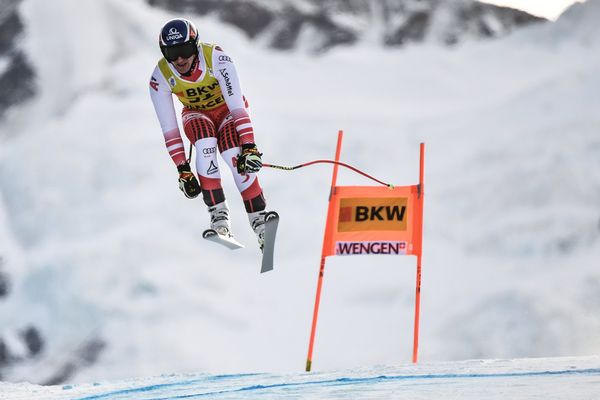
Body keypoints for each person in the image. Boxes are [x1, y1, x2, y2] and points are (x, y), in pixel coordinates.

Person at [149, 18, 268, 249]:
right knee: (204, 143)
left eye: (184, 50)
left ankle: (259, 220)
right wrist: (183, 169)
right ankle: (219, 217)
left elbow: (237, 107)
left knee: (235, 156)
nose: (180, 59)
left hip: (227, 111)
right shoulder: (160, 76)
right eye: (172, 53)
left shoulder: (217, 59)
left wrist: (249, 147)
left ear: (195, 46)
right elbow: (170, 129)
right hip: (196, 114)